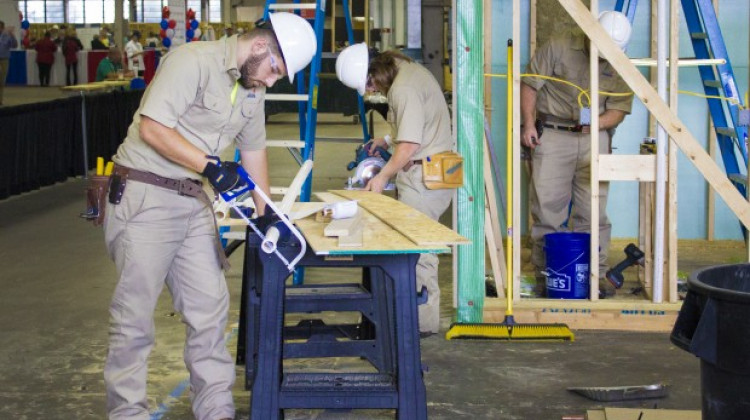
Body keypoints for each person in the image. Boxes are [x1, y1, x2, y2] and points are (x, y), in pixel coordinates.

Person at [102, 12, 316, 420]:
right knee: (135, 317)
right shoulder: (192, 61)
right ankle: (127, 413)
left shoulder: (252, 88)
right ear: (258, 46)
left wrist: (267, 215)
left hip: (192, 200)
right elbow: (152, 127)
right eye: (274, 69)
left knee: (210, 310)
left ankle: (216, 411)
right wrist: (212, 167)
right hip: (146, 196)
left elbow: (253, 153)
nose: (272, 81)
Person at [335, 44, 454, 337]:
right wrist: (388, 139)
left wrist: (382, 177)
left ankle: (421, 327)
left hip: (423, 175)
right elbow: (417, 122)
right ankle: (409, 319)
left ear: (376, 71)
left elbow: (411, 145)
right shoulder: (410, 74)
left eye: (371, 83)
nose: (372, 89)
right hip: (428, 169)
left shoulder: (403, 88)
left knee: (418, 250)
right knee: (412, 247)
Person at [520, 10, 634, 296]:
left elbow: (618, 110)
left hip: (595, 138)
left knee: (593, 212)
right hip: (555, 134)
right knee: (548, 210)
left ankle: (592, 276)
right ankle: (549, 277)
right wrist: (529, 123)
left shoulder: (620, 62)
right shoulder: (559, 46)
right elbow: (530, 84)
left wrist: (596, 124)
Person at [0, 20, 18, 106]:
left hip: (4, 59)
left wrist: (12, 35)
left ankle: (0, 100)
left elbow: (14, 45)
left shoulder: (7, 36)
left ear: (2, 28)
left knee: (2, 80)